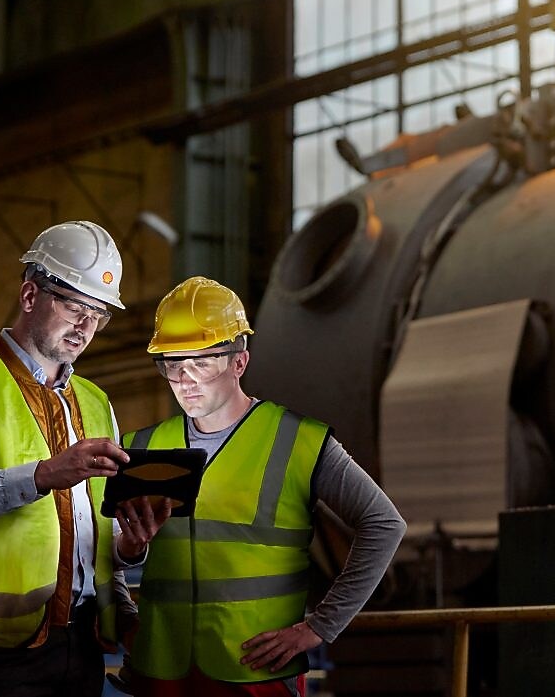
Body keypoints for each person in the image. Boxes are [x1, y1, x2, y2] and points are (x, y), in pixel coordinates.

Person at [0, 220, 173, 697]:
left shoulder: (95, 402)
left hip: (83, 643)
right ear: (30, 296)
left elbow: (92, 531)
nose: (86, 327)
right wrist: (43, 475)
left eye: (99, 314)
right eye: (75, 305)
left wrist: (131, 546)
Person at [122, 276, 405, 697]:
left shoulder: (299, 442)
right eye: (173, 363)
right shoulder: (141, 446)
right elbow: (110, 554)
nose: (186, 378)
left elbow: (384, 524)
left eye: (203, 362)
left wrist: (320, 627)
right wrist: (129, 564)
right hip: (163, 672)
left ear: (239, 362)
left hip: (257, 673)